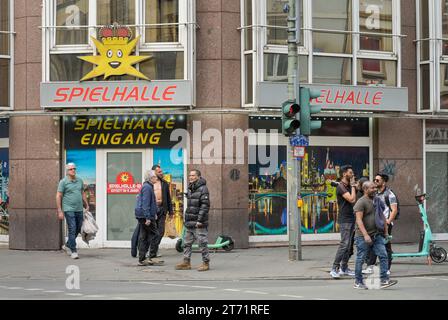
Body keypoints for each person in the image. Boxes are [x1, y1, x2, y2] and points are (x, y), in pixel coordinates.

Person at [353, 181, 398, 289]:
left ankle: (384, 280)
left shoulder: (377, 200)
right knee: (361, 258)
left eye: (375, 187)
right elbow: (358, 220)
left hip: (377, 234)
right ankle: (358, 282)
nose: (375, 189)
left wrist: (386, 232)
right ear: (365, 189)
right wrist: (365, 235)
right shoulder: (361, 202)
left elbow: (382, 215)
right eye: (372, 188)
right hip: (363, 236)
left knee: (383, 256)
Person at [175, 169, 210, 272]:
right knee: (187, 243)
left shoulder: (203, 189)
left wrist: (200, 220)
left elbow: (205, 205)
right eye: (190, 175)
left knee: (202, 243)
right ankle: (186, 262)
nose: (191, 177)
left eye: (193, 175)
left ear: (198, 177)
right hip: (190, 220)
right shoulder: (191, 188)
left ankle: (206, 263)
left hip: (199, 222)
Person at [363, 173, 398, 275]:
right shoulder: (375, 194)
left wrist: (388, 221)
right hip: (375, 224)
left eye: (377, 180)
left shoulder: (389, 194)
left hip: (385, 224)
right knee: (373, 245)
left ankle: (386, 268)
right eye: (374, 180)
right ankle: (370, 266)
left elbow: (394, 210)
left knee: (385, 246)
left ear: (384, 182)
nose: (375, 182)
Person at [56, 163, 89, 259]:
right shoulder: (63, 182)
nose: (73, 170)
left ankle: (67, 245)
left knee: (78, 228)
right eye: (71, 169)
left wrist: (86, 204)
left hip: (79, 209)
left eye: (74, 169)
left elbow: (82, 193)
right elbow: (58, 195)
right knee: (72, 228)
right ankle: (74, 251)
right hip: (68, 209)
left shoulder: (79, 180)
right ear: (67, 171)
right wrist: (60, 210)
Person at [330, 165, 357, 279]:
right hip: (345, 219)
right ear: (344, 174)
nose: (352, 174)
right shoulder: (341, 187)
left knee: (349, 245)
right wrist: (353, 186)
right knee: (344, 244)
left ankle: (344, 268)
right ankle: (334, 268)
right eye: (350, 172)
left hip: (351, 218)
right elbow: (352, 199)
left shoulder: (346, 185)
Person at [135, 170, 162, 266]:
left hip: (144, 215)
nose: (156, 178)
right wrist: (147, 217)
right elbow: (145, 203)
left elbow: (150, 203)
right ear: (150, 178)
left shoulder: (148, 186)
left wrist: (153, 213)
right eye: (154, 176)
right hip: (144, 216)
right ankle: (151, 256)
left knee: (145, 236)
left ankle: (143, 258)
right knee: (155, 235)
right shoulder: (147, 187)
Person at [149, 164, 174, 259]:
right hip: (152, 210)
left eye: (161, 171)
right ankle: (151, 250)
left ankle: (154, 248)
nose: (161, 173)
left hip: (162, 209)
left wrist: (171, 212)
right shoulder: (149, 183)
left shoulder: (164, 183)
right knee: (151, 231)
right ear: (154, 172)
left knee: (161, 231)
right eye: (159, 172)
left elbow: (168, 198)